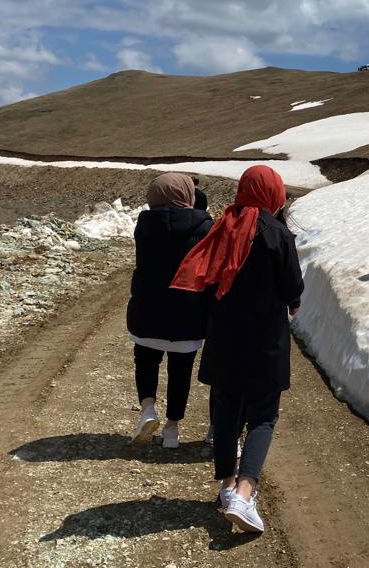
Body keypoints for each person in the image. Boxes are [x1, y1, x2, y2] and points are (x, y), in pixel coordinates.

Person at [170, 165, 304, 534]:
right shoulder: (278, 234)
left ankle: (227, 486)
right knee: (262, 415)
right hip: (266, 340)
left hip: (224, 336)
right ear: (274, 194)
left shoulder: (223, 227)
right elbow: (293, 287)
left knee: (226, 411)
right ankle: (244, 495)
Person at [127, 173, 214, 448]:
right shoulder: (204, 226)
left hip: (147, 309)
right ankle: (172, 430)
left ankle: (148, 410)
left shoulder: (144, 225)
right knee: (181, 370)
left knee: (146, 360)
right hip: (188, 311)